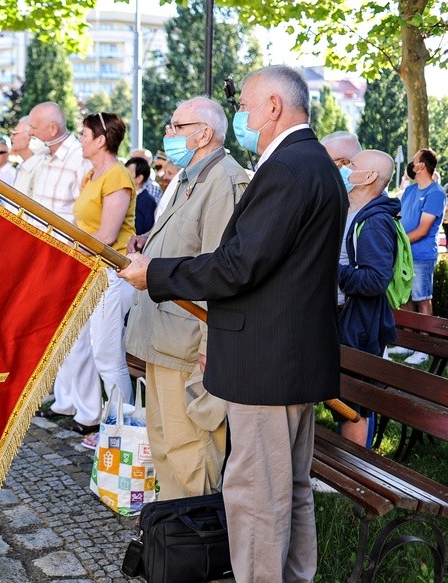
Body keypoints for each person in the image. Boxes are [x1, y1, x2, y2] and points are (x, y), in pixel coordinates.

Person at [118, 65, 346, 582]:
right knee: (289, 488)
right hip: (288, 356)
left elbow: (238, 264)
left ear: (272, 106)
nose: (241, 114)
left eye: (245, 105)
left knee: (256, 494)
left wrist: (156, 273)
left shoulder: (288, 168)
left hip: (267, 361)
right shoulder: (311, 163)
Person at [124, 96, 249, 500]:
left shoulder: (225, 180)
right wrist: (149, 245)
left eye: (177, 127)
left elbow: (221, 270)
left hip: (190, 345)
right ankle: (172, 545)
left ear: (204, 133)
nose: (168, 134)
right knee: (164, 445)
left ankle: (196, 550)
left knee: (191, 452)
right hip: (165, 336)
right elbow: (186, 246)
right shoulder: (191, 176)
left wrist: (214, 346)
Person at [48, 112, 136, 444]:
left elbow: (107, 235)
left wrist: (74, 251)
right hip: (88, 271)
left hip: (111, 275)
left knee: (107, 356)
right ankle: (99, 417)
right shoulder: (91, 175)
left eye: (85, 134)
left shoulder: (117, 176)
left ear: (101, 140)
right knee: (81, 346)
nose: (80, 138)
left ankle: (120, 430)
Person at [337, 149, 399, 446]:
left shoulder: (374, 221)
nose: (347, 167)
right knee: (344, 394)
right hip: (348, 317)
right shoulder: (353, 213)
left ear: (370, 176)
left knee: (354, 401)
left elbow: (376, 279)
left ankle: (351, 470)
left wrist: (330, 271)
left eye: (353, 164)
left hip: (360, 322)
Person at [400, 149, 445, 323]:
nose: (410, 165)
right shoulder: (410, 191)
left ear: (421, 166)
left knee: (422, 298)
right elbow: (400, 218)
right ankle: (408, 342)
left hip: (422, 255)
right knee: (406, 297)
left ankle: (424, 345)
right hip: (405, 254)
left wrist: (398, 242)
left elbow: (423, 230)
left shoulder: (435, 193)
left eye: (414, 161)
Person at [26, 101, 89, 224]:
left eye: (34, 127)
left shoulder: (80, 159)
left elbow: (86, 215)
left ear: (53, 129)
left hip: (62, 243)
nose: (29, 133)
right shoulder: (43, 156)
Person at [8, 116, 45, 196]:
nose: (11, 137)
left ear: (30, 136)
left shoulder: (41, 168)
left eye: (15, 133)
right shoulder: (22, 166)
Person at [124, 156, 157, 235]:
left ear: (139, 178)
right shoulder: (127, 196)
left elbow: (142, 231)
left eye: (127, 174)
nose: (123, 176)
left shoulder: (147, 202)